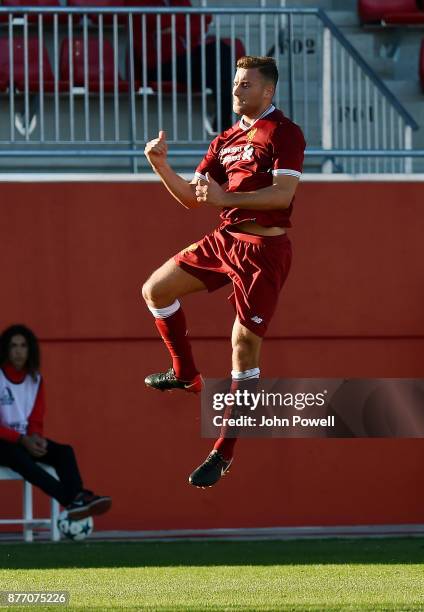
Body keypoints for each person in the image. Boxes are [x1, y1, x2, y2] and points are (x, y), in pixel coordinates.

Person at [143, 55, 306, 488]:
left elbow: (282, 195)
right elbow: (193, 198)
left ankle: (224, 451)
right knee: (155, 290)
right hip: (225, 241)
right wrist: (160, 166)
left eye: (246, 84)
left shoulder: (285, 133)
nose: (236, 90)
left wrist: (222, 200)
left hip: (263, 250)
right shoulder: (225, 139)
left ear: (267, 91)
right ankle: (185, 374)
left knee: (242, 347)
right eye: (235, 82)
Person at [0, 324, 112, 520]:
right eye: (13, 346)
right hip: (5, 444)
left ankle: (77, 497)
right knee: (19, 457)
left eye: (23, 346)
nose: (18, 351)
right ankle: (71, 500)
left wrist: (36, 437)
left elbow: (35, 417)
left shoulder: (35, 379)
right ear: (6, 350)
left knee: (63, 452)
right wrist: (21, 440)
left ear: (30, 349)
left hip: (23, 440)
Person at [133, 0, 235, 133]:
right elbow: (157, 21)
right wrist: (185, 23)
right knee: (217, 71)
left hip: (186, 58)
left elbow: (201, 23)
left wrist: (174, 27)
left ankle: (223, 123)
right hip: (158, 65)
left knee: (221, 51)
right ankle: (225, 124)